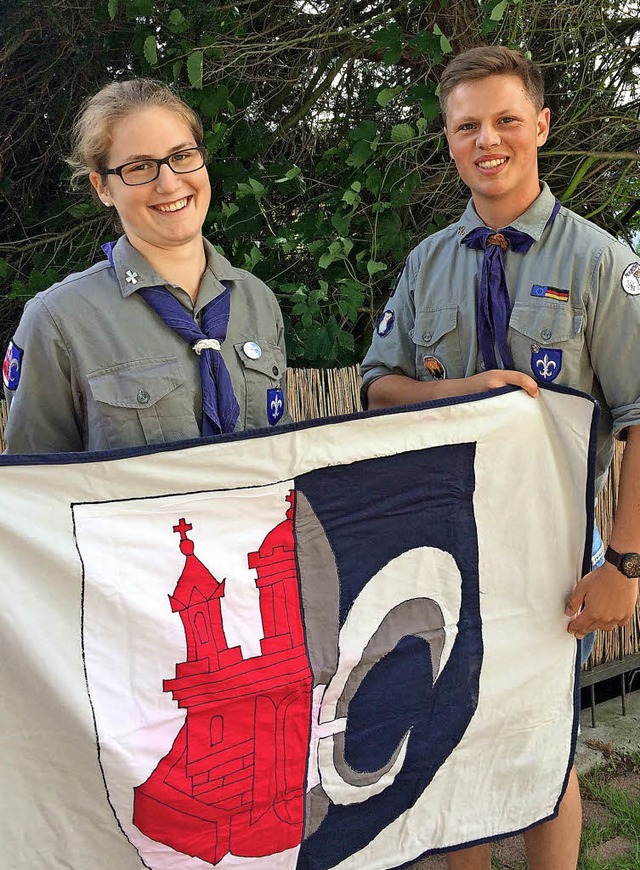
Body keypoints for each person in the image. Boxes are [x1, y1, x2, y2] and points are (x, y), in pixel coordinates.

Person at [361, 46, 640, 870]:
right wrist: (461, 390)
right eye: (467, 126)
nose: (488, 139)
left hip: (555, 556)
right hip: (442, 549)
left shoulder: (600, 264)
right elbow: (378, 387)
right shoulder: (428, 264)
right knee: (453, 745)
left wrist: (625, 562)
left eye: (506, 120)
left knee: (542, 748)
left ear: (542, 126)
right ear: (448, 141)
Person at [2, 79, 290, 454]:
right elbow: (38, 491)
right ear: (103, 188)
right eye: (139, 167)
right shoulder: (58, 320)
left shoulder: (258, 301)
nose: (169, 184)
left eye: (182, 156)